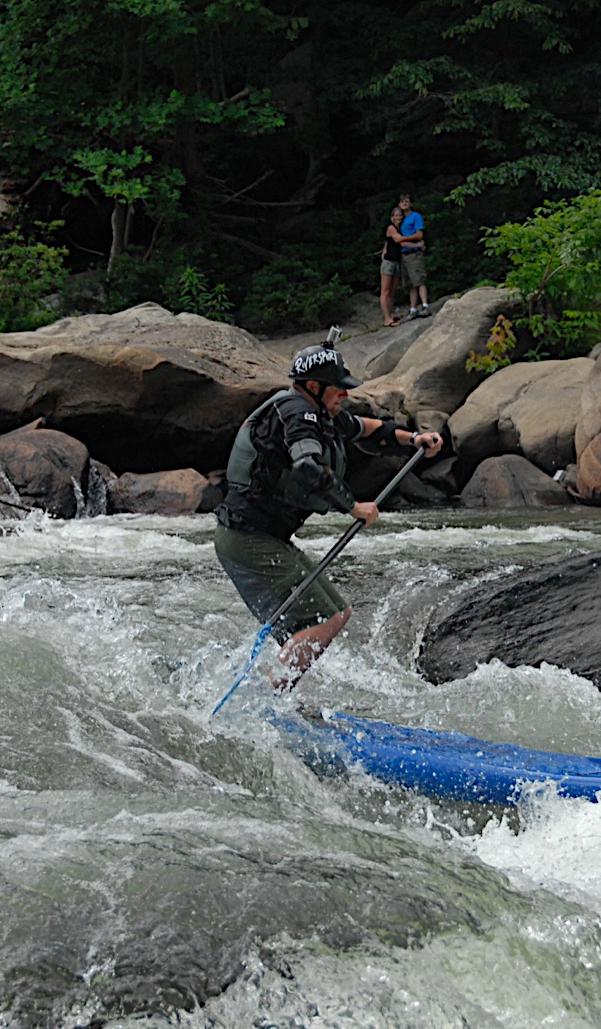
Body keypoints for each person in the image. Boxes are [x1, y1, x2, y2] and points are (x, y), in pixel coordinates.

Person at [214, 339, 444, 691]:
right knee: (324, 619)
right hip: (246, 538)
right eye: (338, 389)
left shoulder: (321, 413)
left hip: (263, 537)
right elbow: (307, 466)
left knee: (336, 612)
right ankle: (264, 699)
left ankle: (274, 695)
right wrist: (353, 507)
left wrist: (413, 438)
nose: (345, 395)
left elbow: (366, 429)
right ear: (313, 387)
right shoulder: (297, 414)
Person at [397, 193, 429, 318]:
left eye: (406, 201)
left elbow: (419, 235)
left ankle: (425, 306)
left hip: (414, 253)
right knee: (410, 283)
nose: (404, 203)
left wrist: (403, 239)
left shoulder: (416, 216)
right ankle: (413, 308)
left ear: (410, 203)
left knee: (419, 280)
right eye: (402, 202)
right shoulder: (400, 219)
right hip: (404, 254)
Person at [380, 206, 406, 327]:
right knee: (385, 291)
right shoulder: (391, 228)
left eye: (400, 215)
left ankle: (390, 314)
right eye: (396, 215)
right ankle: (386, 318)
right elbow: (397, 239)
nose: (398, 217)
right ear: (392, 217)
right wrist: (417, 243)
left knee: (392, 291)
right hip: (389, 262)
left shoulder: (402, 229)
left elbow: (387, 243)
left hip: (397, 261)